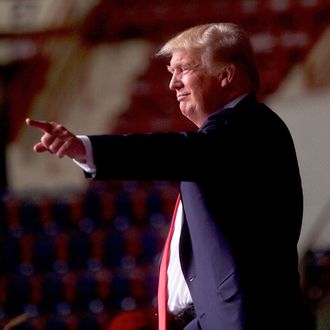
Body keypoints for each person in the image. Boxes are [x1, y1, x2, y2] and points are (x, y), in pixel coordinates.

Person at [26, 23, 315, 330]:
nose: (172, 84)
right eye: (170, 72)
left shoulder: (250, 127)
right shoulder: (218, 141)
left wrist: (85, 148)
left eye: (184, 69)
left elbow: (173, 151)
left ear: (226, 75)